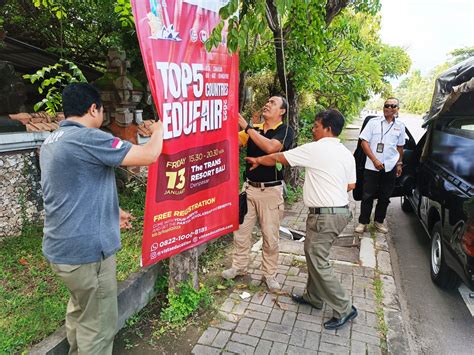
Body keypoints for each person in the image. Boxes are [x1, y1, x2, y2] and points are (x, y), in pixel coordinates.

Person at [40, 83, 164, 355]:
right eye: (102, 109)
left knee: (80, 309)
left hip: (62, 251)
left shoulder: (52, 140)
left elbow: (72, 188)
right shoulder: (89, 138)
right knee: (98, 325)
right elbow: (149, 155)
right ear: (92, 108)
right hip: (87, 254)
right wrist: (159, 130)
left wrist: (111, 210)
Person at [245, 109, 357, 329]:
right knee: (313, 255)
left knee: (318, 261)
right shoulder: (345, 153)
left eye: (316, 126)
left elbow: (279, 157)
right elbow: (351, 186)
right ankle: (313, 297)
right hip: (338, 213)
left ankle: (345, 307)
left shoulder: (316, 149)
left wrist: (258, 159)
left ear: (327, 128)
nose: (313, 129)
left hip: (326, 216)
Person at [221, 95, 294, 292]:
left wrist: (247, 127)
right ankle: (239, 266)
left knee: (270, 237)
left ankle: (269, 274)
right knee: (241, 232)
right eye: (267, 101)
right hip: (249, 189)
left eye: (273, 103)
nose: (267, 104)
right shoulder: (255, 129)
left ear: (282, 112)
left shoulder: (285, 130)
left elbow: (271, 148)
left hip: (270, 191)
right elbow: (235, 142)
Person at [354, 98, 405, 234]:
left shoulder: (400, 126)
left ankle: (379, 222)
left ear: (397, 109)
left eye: (393, 106)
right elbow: (364, 142)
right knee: (367, 195)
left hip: (391, 166)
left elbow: (400, 147)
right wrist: (374, 159)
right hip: (372, 165)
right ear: (383, 107)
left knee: (385, 196)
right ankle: (363, 222)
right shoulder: (373, 122)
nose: (389, 108)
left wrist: (399, 163)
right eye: (386, 105)